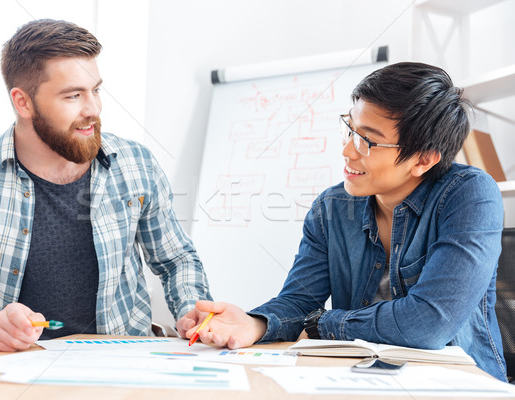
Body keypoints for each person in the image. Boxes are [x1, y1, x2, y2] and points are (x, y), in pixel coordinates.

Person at [185, 62, 508, 382]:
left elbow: (428, 323)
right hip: (357, 378)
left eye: (367, 140)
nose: (347, 151)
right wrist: (254, 324)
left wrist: (319, 324)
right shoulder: (332, 206)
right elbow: (300, 300)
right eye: (349, 129)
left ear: (423, 159)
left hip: (458, 382)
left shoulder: (469, 194)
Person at [0, 19, 211, 359]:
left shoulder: (136, 164)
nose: (93, 109)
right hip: (12, 374)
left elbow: (176, 259)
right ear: (23, 102)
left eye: (96, 90)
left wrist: (193, 311)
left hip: (120, 366)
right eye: (73, 95)